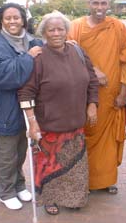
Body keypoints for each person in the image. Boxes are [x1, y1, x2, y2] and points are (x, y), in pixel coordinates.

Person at [18, 11, 99, 215]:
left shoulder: (78, 52)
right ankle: (50, 199)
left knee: (75, 167)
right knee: (50, 167)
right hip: (50, 127)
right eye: (51, 29)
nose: (56, 33)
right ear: (44, 33)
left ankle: (74, 198)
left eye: (60, 29)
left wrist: (92, 104)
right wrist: (32, 122)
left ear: (66, 31)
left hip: (76, 124)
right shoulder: (38, 58)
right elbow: (25, 91)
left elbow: (92, 80)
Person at [68, 0, 126, 194]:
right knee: (85, 135)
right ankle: (83, 180)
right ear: (88, 3)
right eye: (95, 3)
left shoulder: (118, 27)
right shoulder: (76, 27)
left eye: (103, 3)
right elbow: (68, 55)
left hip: (111, 94)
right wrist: (93, 70)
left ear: (108, 4)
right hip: (83, 94)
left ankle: (105, 180)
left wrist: (123, 90)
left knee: (107, 139)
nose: (99, 7)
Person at [0, 3, 43, 210]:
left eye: (16, 17)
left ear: (23, 19)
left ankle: (19, 185)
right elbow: (1, 75)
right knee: (7, 154)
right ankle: (6, 191)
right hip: (3, 108)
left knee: (21, 149)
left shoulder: (33, 41)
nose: (12, 21)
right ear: (1, 22)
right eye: (7, 18)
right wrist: (27, 58)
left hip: (27, 108)